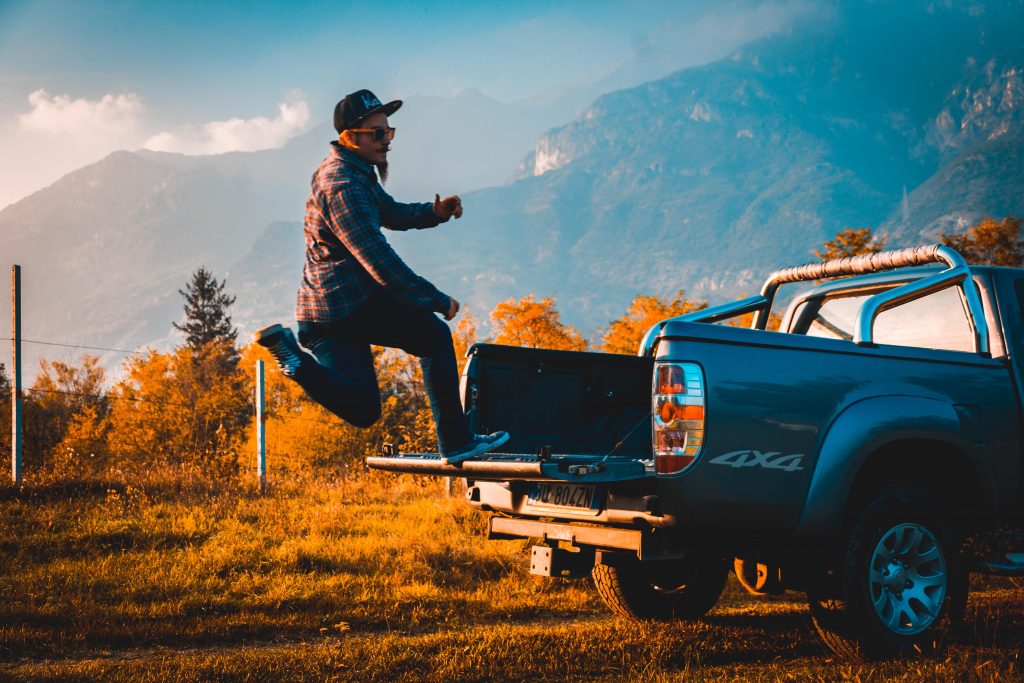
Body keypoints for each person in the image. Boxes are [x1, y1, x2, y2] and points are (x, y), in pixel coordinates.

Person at [255, 89, 508, 465]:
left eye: (389, 133)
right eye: (377, 134)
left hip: (332, 312)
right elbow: (379, 261)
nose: (386, 142)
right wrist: (434, 299)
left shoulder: (354, 172)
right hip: (341, 311)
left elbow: (387, 211)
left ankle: (294, 360)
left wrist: (433, 213)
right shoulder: (342, 185)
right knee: (434, 335)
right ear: (349, 136)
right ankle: (456, 442)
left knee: (363, 411)